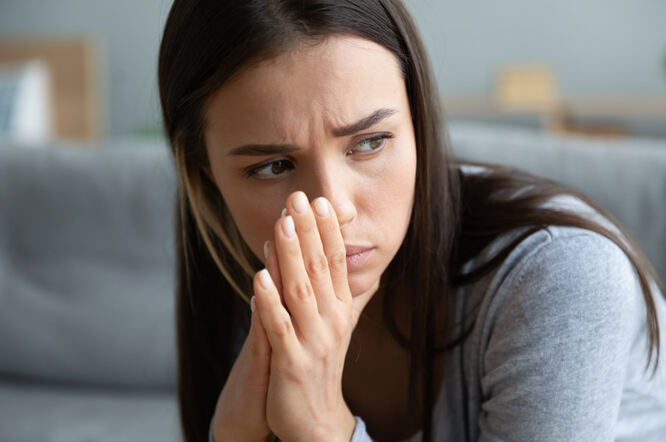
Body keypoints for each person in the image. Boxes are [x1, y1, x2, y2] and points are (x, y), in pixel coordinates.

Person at [157, 1, 666, 441]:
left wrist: (322, 430)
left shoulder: (561, 276)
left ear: (417, 122)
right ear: (208, 181)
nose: (332, 208)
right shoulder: (242, 265)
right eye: (272, 167)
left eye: (370, 142)